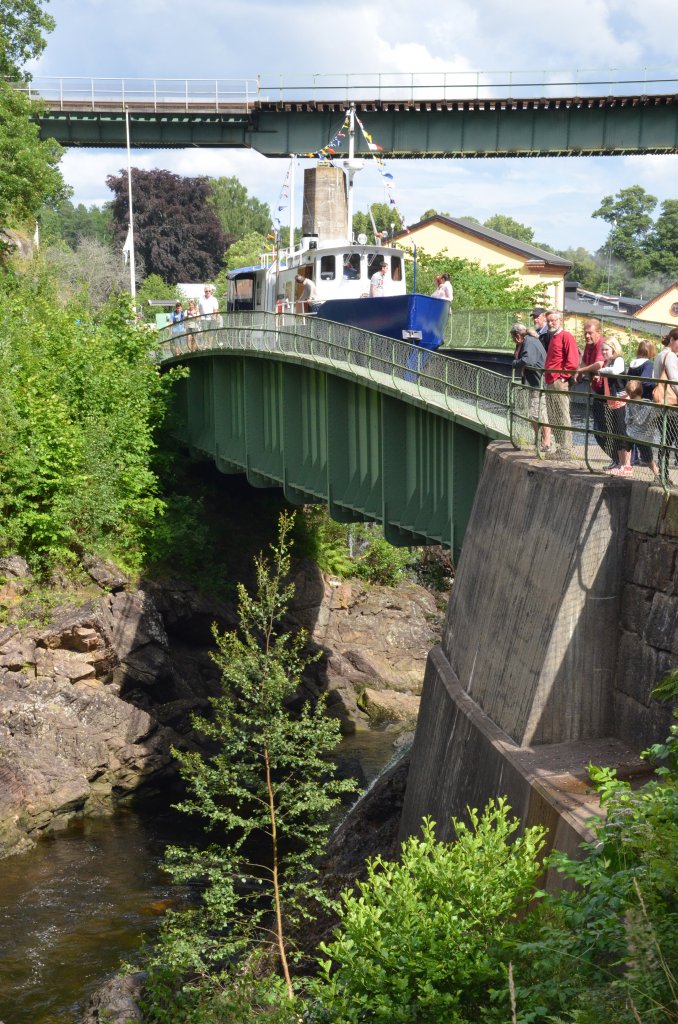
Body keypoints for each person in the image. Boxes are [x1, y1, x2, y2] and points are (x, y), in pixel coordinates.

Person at [543, 310, 579, 456]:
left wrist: (563, 377)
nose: (551, 323)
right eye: (549, 321)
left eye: (553, 320)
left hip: (558, 381)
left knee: (563, 414)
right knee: (553, 415)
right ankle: (560, 447)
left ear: (560, 320)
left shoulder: (566, 336)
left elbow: (572, 360)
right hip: (551, 379)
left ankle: (566, 449)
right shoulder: (553, 337)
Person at [510, 322, 550, 448]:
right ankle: (541, 440)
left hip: (538, 383)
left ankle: (546, 442)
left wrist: (515, 362)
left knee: (537, 413)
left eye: (513, 338)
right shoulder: (528, 341)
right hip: (534, 382)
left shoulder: (529, 342)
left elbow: (528, 360)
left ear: (517, 335)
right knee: (536, 412)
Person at [599, 335, 632, 475]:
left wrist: (600, 371)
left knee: (623, 433)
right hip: (611, 401)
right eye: (602, 350)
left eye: (606, 350)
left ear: (613, 349)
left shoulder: (618, 360)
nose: (604, 352)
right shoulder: (607, 362)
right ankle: (620, 464)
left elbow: (615, 371)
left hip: (621, 401)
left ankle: (627, 465)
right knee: (616, 434)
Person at [574, 318, 607, 458]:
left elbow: (599, 364)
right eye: (585, 333)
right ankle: (616, 458)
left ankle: (622, 460)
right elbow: (583, 361)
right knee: (598, 428)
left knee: (607, 428)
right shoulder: (589, 345)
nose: (587, 336)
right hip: (597, 389)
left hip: (607, 391)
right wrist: (578, 370)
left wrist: (582, 371)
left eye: (590, 333)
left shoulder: (602, 344)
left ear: (598, 332)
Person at [624, 378, 659, 477]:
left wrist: (632, 417)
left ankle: (626, 466)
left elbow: (628, 420)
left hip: (635, 433)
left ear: (628, 393)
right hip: (644, 434)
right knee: (647, 457)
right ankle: (657, 474)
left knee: (626, 446)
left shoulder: (630, 404)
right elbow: (640, 420)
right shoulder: (648, 404)